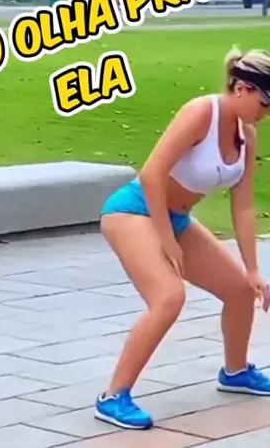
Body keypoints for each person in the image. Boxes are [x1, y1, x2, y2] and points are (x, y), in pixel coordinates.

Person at [95, 47, 270, 430]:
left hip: (175, 218)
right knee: (169, 296)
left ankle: (236, 372)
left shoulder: (247, 135)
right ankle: (113, 397)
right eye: (264, 103)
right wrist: (166, 239)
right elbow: (152, 175)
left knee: (241, 290)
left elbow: (242, 208)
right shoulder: (201, 113)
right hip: (133, 211)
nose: (266, 113)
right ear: (242, 88)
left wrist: (254, 270)